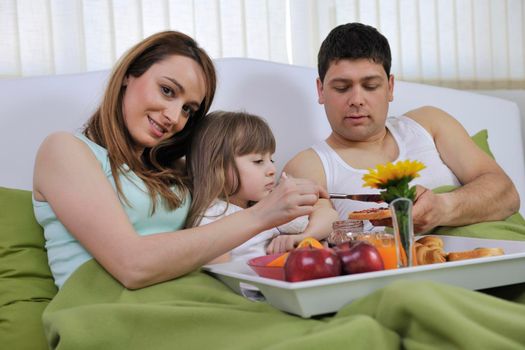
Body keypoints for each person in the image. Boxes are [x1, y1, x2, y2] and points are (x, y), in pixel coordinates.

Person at [32, 31, 326, 289]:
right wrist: (261, 216)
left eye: (188, 109)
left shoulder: (174, 170)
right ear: (128, 75)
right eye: (167, 90)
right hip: (107, 309)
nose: (173, 117)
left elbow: (245, 180)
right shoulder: (64, 150)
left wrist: (313, 200)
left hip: (182, 297)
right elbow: (132, 265)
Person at [284, 22, 520, 234]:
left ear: (390, 87)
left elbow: (507, 195)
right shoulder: (310, 166)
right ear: (321, 90)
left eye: (370, 85)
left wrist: (443, 208)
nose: (356, 99)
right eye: (342, 87)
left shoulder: (429, 123)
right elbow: (313, 243)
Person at [186, 110, 338, 262]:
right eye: (258, 161)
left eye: (271, 160)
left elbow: (330, 217)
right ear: (218, 166)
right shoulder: (211, 217)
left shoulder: (268, 203)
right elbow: (219, 268)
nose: (273, 170)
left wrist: (303, 237)